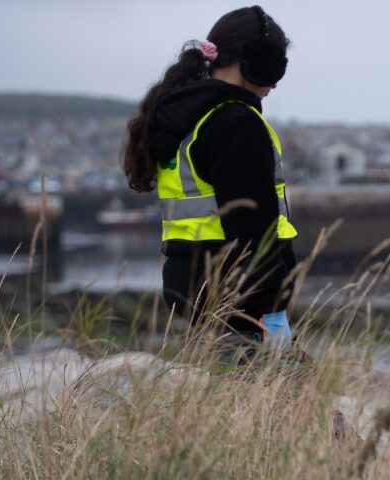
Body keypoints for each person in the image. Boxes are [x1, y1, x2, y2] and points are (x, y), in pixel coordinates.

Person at [122, 6, 298, 350]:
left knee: (220, 383)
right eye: (277, 64)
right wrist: (273, 314)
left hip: (189, 282)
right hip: (238, 295)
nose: (277, 81)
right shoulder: (236, 123)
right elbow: (253, 231)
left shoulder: (187, 116)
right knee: (280, 393)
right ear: (255, 59)